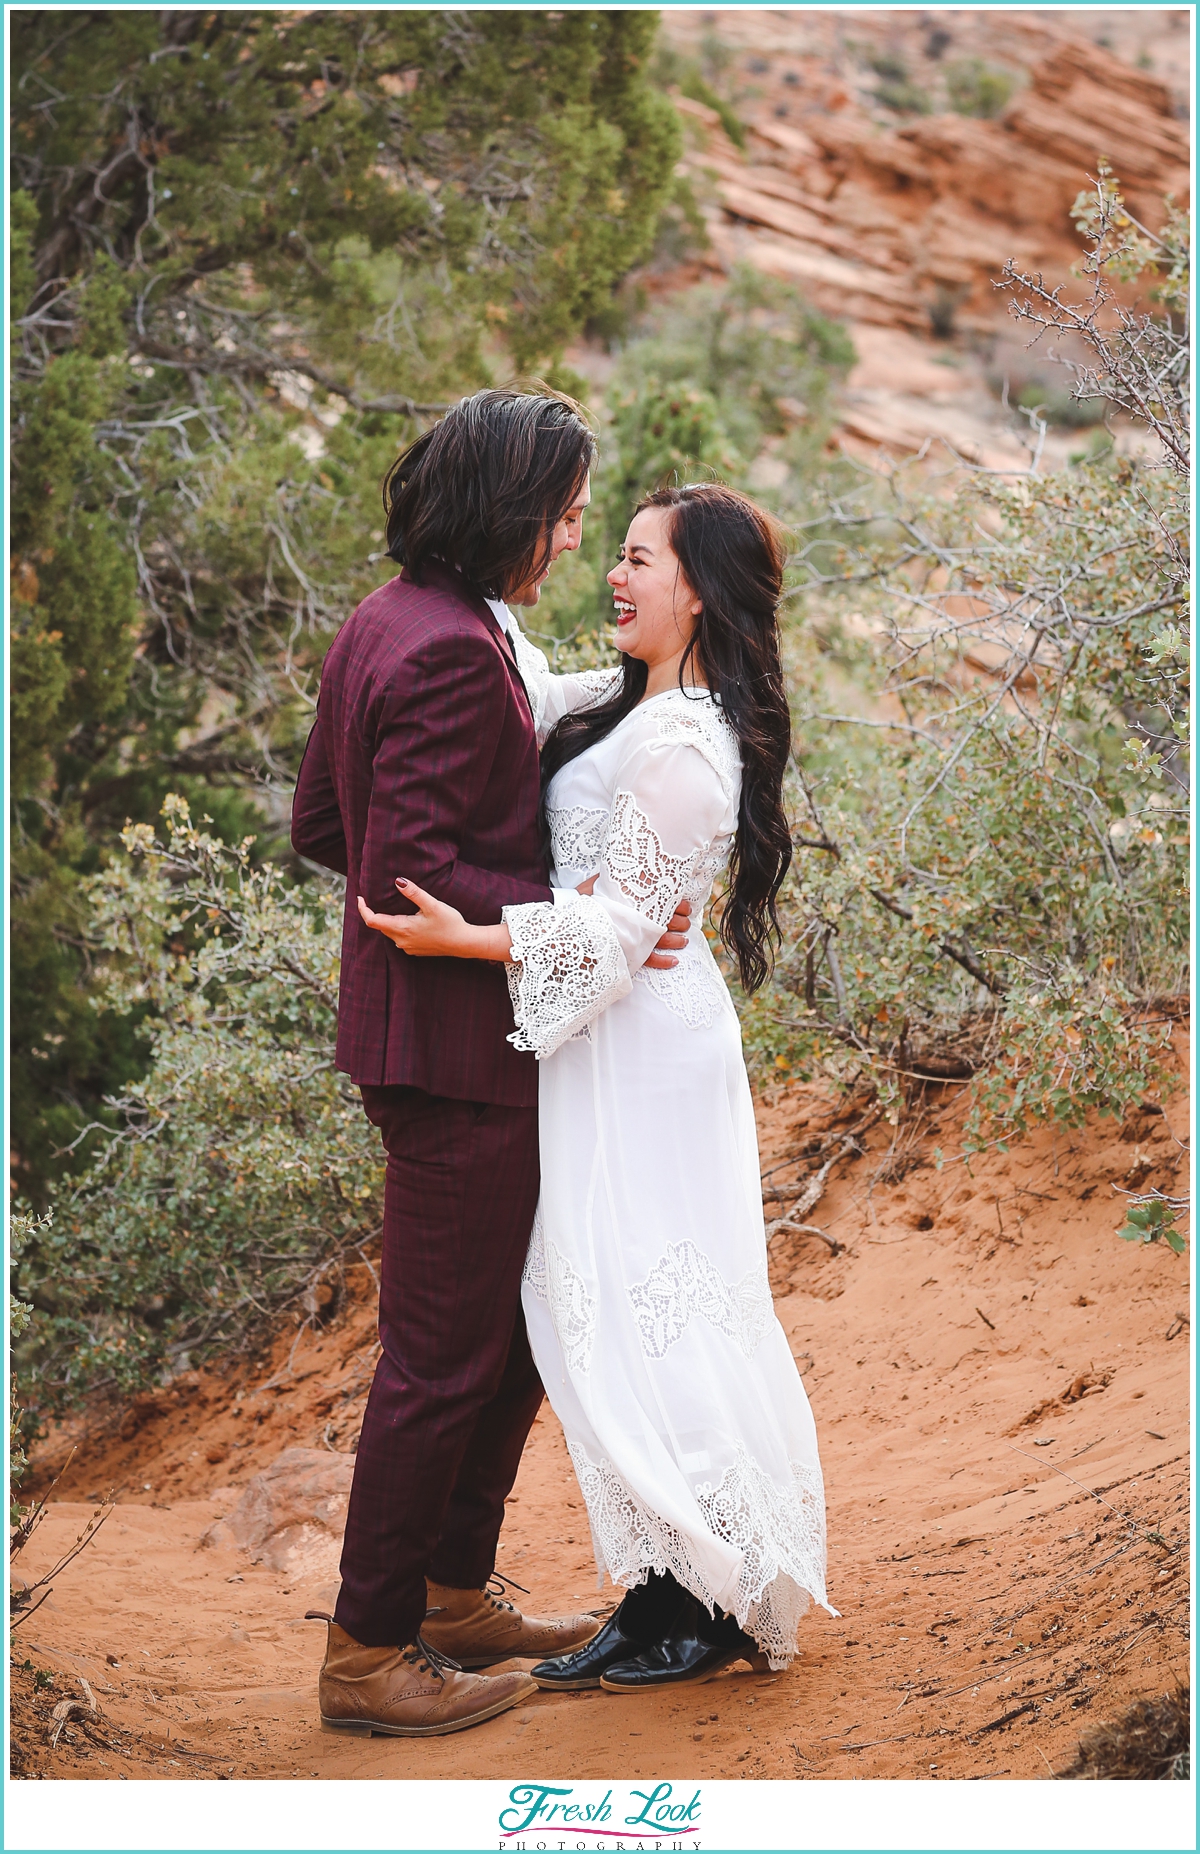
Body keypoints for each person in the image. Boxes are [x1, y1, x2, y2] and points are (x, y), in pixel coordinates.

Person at [358, 482, 834, 1696]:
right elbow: (512, 681)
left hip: (644, 1058)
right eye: (606, 549)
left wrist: (467, 939)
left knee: (663, 1310)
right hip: (596, 1054)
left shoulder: (683, 741)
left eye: (638, 558)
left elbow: (625, 931)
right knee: (610, 1313)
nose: (611, 575)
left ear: (701, 590)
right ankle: (660, 1589)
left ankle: (715, 1595)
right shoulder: (624, 703)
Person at [290, 388, 694, 1738]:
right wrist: (588, 911)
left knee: (509, 1338)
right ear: (511, 510)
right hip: (455, 1055)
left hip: (446, 1039)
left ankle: (457, 1592)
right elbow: (406, 862)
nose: (577, 538)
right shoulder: (451, 648)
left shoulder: (400, 619)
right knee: (437, 1361)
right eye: (568, 512)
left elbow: (319, 821)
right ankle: (366, 1652)